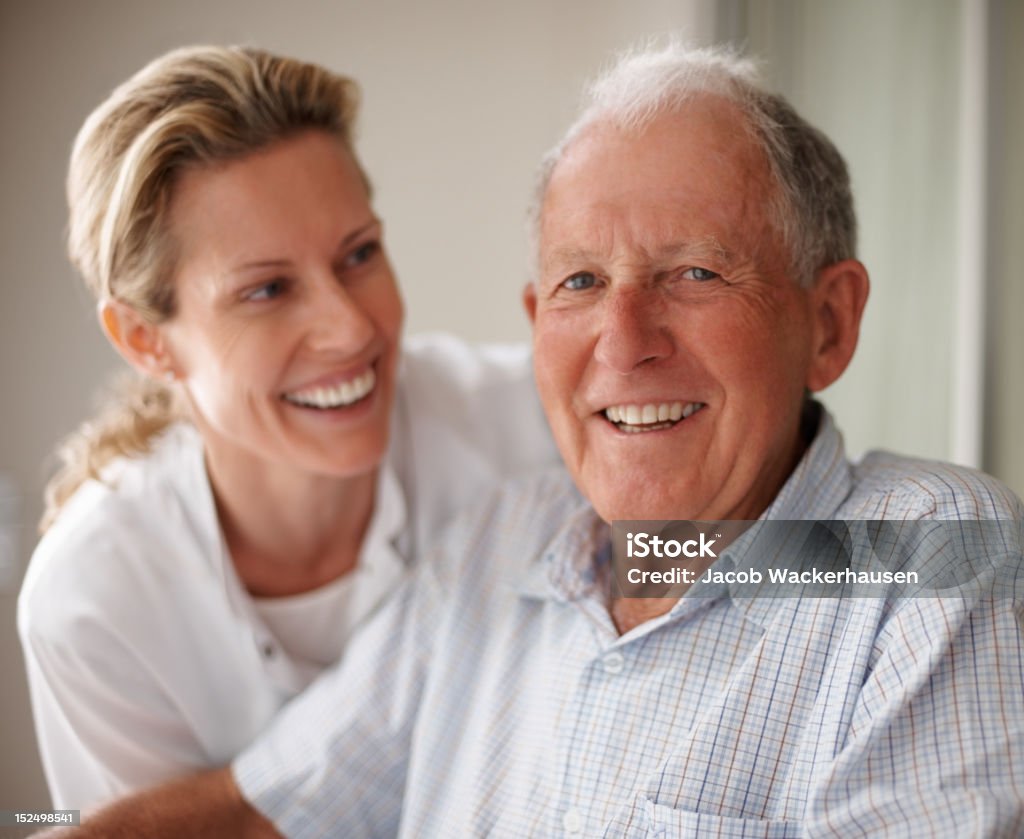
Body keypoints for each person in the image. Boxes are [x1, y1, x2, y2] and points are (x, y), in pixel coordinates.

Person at [42, 42, 1024, 838]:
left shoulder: (927, 555)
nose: (623, 341)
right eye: (580, 283)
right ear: (533, 320)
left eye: (693, 272)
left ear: (827, 322)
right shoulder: (500, 538)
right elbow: (263, 805)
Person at [17, 45, 557, 811]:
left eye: (359, 254)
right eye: (267, 289)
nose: (349, 328)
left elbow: (781, 560)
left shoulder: (528, 421)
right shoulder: (94, 601)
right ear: (146, 340)